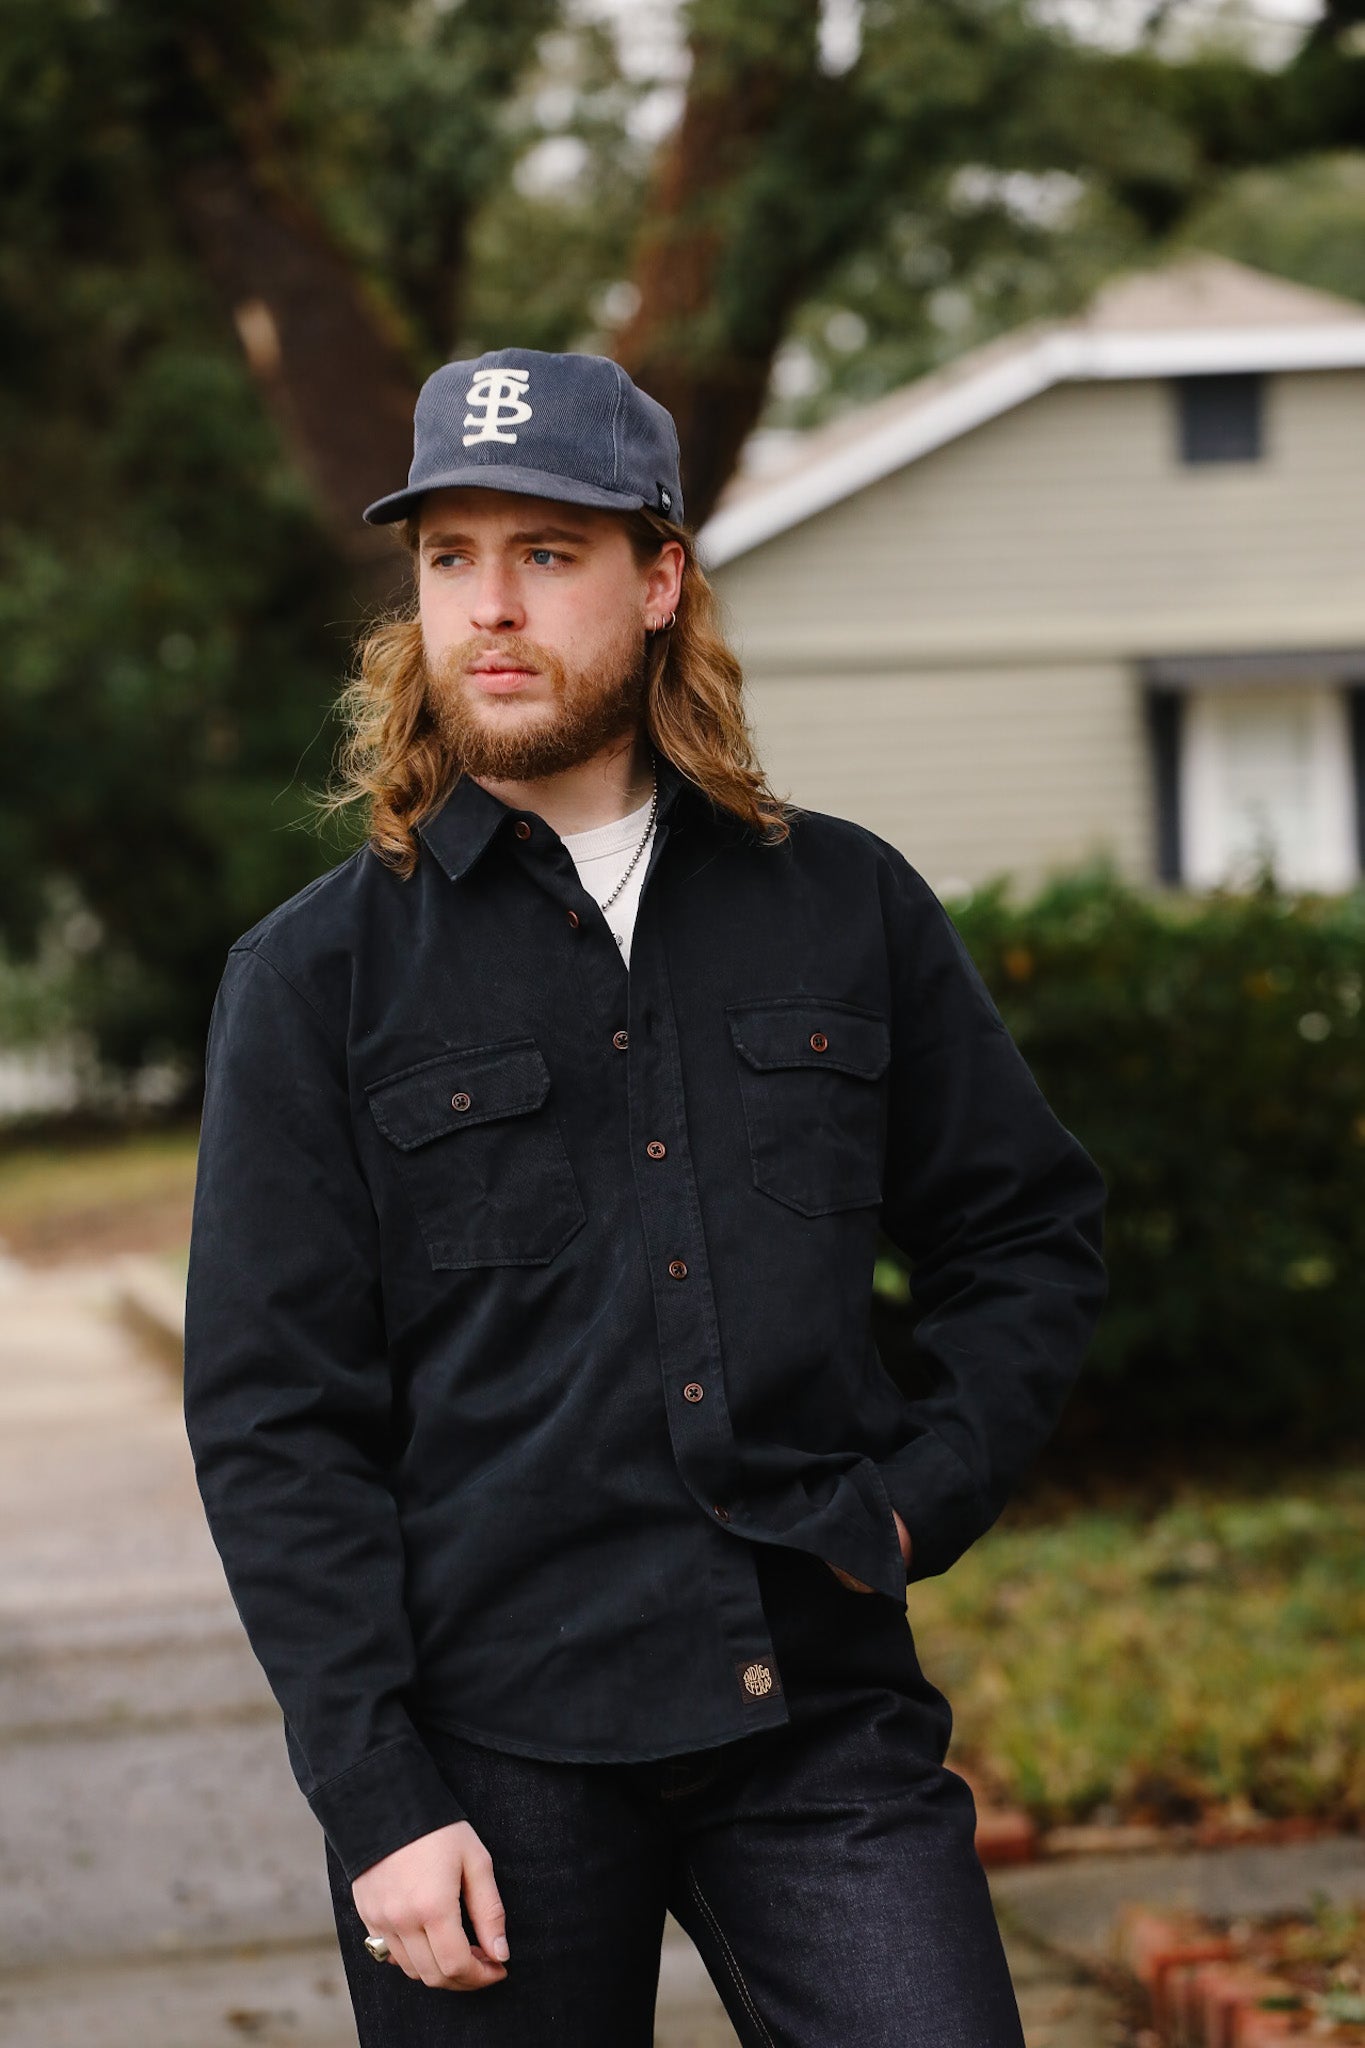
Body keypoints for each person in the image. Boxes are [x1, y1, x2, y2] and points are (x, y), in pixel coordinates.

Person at [183, 345, 1108, 2047]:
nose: (490, 608)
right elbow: (273, 1421)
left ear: (660, 577)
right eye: (450, 556)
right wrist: (376, 1791)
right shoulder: (313, 979)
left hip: (816, 1722)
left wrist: (918, 1499)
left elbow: (1023, 1230)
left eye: (547, 552)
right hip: (489, 1757)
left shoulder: (843, 906)